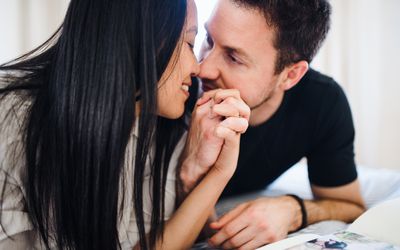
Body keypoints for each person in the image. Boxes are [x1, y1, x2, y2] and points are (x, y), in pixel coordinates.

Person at [0, 0, 250, 249]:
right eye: (189, 43)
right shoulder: (12, 118)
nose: (197, 68)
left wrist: (219, 173)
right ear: (143, 36)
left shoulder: (153, 129)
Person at [179, 0, 366, 249]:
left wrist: (292, 210)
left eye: (234, 57)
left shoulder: (321, 102)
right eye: (209, 40)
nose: (203, 69)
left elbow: (350, 205)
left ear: (291, 75)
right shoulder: (177, 90)